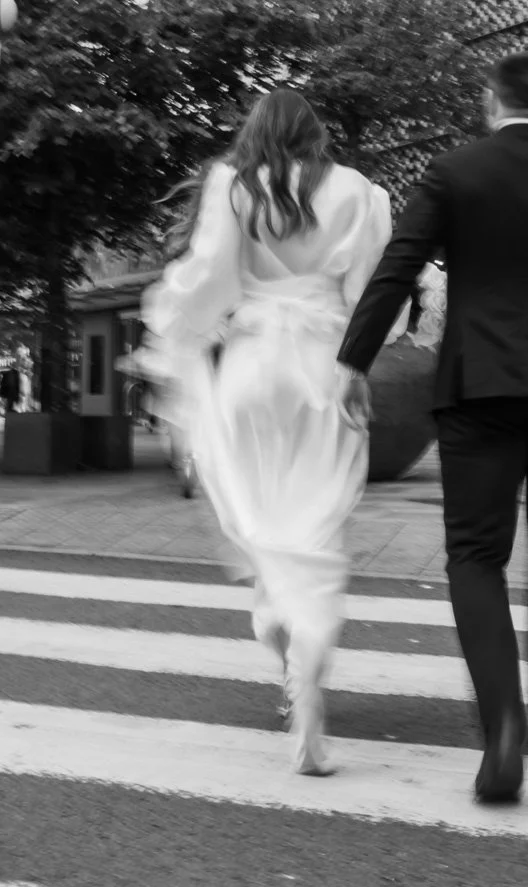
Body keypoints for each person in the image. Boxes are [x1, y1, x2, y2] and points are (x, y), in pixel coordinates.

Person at [336, 54, 528, 805]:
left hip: (479, 387)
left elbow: (397, 268)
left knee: (475, 555)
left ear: (490, 101)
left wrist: (352, 364)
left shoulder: (452, 172)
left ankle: (501, 728)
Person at [144, 89, 406, 776]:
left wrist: (174, 325)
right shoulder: (357, 192)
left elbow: (209, 278)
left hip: (252, 369)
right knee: (312, 525)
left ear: (256, 131)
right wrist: (368, 355)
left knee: (262, 526)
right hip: (325, 368)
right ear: (316, 135)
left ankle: (278, 633)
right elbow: (374, 295)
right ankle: (308, 661)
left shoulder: (232, 185)